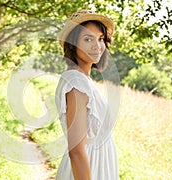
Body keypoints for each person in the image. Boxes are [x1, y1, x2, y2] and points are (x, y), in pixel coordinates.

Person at [55, 9, 119, 180]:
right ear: (72, 43)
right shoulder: (76, 82)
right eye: (88, 39)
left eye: (100, 39)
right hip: (87, 171)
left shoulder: (85, 81)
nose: (97, 46)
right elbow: (76, 150)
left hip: (98, 167)